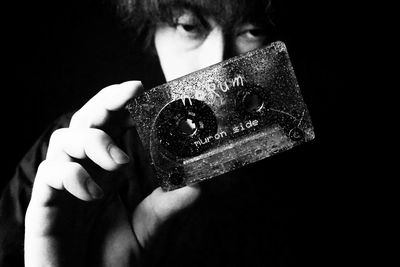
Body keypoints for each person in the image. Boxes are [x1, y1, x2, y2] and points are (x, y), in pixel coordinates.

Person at [0, 0, 334, 266]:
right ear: (154, 29)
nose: (216, 63)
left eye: (252, 30)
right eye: (189, 25)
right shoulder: (73, 159)